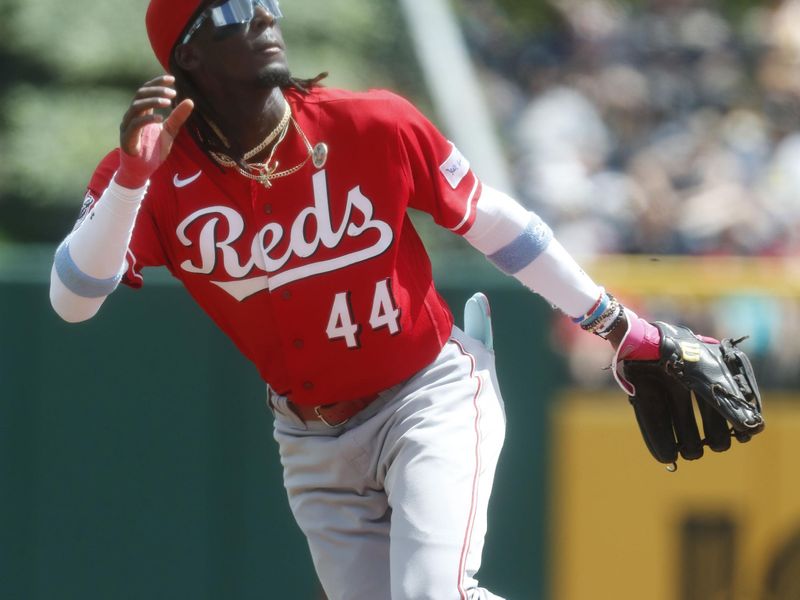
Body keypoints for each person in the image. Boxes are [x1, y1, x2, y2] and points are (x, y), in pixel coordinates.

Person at [47, 1, 685, 598]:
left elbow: (497, 224)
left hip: (427, 395)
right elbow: (73, 298)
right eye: (235, 9)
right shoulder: (152, 172)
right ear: (188, 54)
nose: (265, 14)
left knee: (431, 593)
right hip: (311, 443)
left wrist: (619, 325)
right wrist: (132, 181)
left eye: (266, 0)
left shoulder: (370, 121)